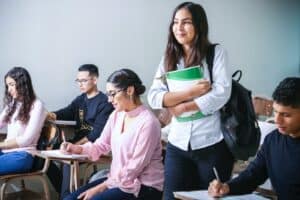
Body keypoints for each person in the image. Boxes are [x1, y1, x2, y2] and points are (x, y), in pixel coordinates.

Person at [147, 2, 234, 199]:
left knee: (209, 196)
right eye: (176, 22)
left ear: (199, 25)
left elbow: (221, 93)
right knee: (171, 197)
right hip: (177, 144)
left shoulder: (215, 53)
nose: (179, 27)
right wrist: (191, 92)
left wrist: (182, 106)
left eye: (186, 22)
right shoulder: (168, 57)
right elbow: (154, 96)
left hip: (211, 143)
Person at [62, 68, 164, 200]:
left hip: (144, 187)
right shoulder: (116, 115)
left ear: (130, 90)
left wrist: (101, 187)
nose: (109, 100)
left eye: (112, 94)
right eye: (108, 94)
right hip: (117, 181)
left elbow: (134, 167)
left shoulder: (148, 122)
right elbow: (101, 145)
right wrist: (77, 148)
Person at [208, 77, 300, 199]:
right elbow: (253, 175)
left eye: (286, 115)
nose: (277, 120)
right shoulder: (272, 141)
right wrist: (227, 187)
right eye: (275, 112)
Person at [47, 64, 114, 199]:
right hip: (77, 143)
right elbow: (67, 111)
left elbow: (96, 135)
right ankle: (66, 194)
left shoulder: (104, 102)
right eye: (78, 81)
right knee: (46, 154)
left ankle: (65, 196)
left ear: (94, 80)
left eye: (83, 80)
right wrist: (49, 115)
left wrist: (75, 146)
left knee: (67, 162)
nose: (80, 84)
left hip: (94, 146)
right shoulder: (80, 99)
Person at [0, 67, 46, 175]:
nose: (9, 89)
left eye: (12, 84)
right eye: (7, 85)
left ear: (22, 84)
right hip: (6, 153)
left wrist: (1, 144)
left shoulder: (37, 105)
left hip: (22, 155)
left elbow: (26, 140)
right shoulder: (12, 104)